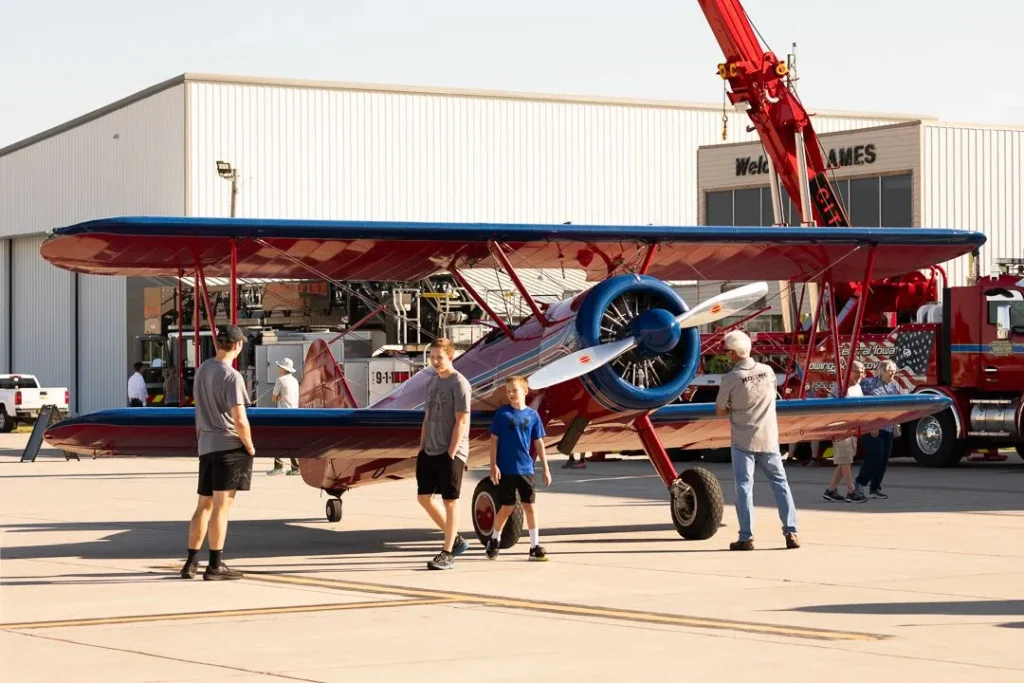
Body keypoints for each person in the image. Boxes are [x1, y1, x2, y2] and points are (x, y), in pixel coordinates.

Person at [180, 324, 254, 581]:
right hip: (228, 446)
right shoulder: (232, 376)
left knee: (203, 505)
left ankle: (190, 562)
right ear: (238, 345)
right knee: (222, 508)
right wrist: (250, 445)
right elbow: (240, 418)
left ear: (217, 344)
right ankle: (215, 564)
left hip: (206, 446)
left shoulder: (203, 370)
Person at [714, 330, 799, 550]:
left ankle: (747, 536)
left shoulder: (731, 378)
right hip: (769, 437)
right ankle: (791, 531)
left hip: (743, 439)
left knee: (744, 486)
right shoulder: (767, 371)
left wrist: (734, 407)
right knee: (781, 484)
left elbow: (720, 410)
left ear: (733, 354)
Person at [417, 338, 472, 570]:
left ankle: (447, 552)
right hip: (429, 448)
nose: (435, 361)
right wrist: (421, 448)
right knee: (424, 497)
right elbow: (428, 417)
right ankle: (456, 539)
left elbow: (462, 420)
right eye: (432, 357)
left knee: (450, 501)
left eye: (440, 357)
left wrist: (451, 452)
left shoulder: (459, 383)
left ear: (451, 357)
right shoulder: (433, 383)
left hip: (451, 451)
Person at [485, 375, 551, 561]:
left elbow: (538, 442)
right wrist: (493, 465)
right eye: (508, 391)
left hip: (526, 469)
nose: (511, 394)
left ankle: (534, 546)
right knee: (506, 507)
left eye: (514, 390)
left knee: (530, 507)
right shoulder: (502, 414)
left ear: (525, 391)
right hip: (506, 470)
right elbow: (493, 441)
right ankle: (494, 540)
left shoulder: (532, 416)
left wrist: (545, 467)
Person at [854, 360, 903, 499]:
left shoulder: (893, 386)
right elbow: (865, 405)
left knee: (884, 458)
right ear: (881, 371)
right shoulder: (869, 384)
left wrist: (895, 424)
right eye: (889, 369)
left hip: (887, 427)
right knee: (875, 455)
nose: (892, 372)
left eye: (894, 369)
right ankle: (859, 483)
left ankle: (875, 487)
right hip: (872, 427)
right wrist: (871, 424)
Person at [822, 361, 868, 503]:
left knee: (845, 460)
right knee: (846, 460)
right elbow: (829, 405)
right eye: (858, 371)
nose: (861, 374)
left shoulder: (858, 387)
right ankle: (851, 491)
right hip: (841, 428)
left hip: (852, 428)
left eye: (862, 371)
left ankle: (831, 490)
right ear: (849, 371)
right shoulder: (841, 387)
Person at [268, 358, 300, 476]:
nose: (278, 368)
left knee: (277, 441)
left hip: (282, 414)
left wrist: (279, 397)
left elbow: (273, 397)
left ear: (283, 369)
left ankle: (279, 466)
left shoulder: (280, 380)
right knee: (290, 441)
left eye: (279, 366)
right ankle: (294, 466)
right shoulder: (294, 380)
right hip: (295, 413)